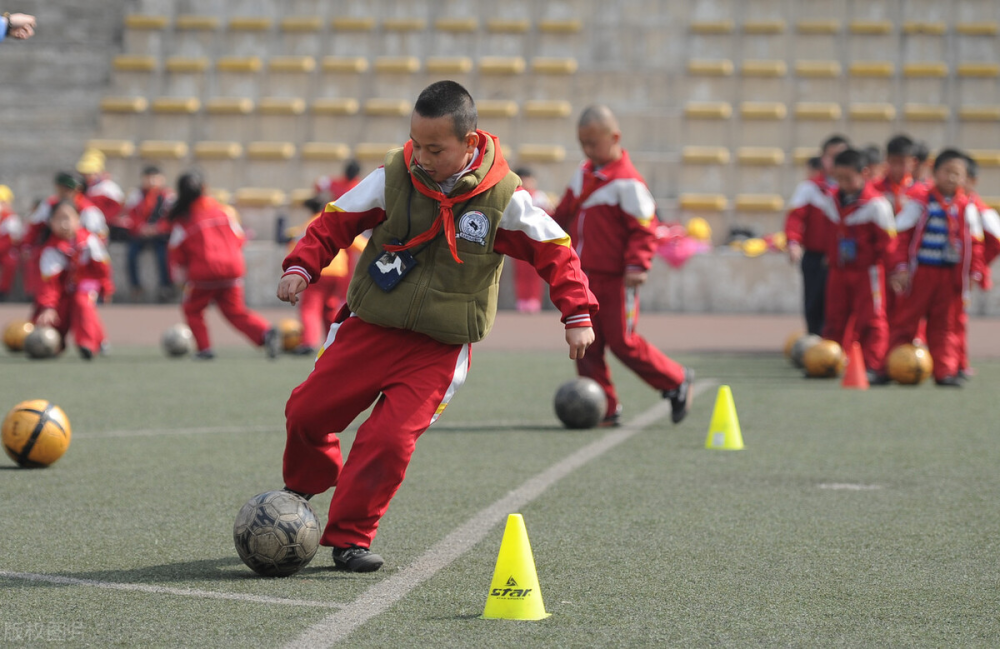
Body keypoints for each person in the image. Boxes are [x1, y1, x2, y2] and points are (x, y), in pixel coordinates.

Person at [276, 80, 597, 572]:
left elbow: (556, 251)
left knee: (388, 440)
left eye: (435, 148)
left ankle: (349, 538)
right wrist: (302, 265)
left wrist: (576, 314)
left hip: (438, 349)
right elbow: (336, 221)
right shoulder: (394, 174)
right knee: (306, 412)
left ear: (469, 143)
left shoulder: (506, 197)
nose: (421, 157)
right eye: (416, 143)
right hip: (370, 326)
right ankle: (302, 488)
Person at [552, 104, 692, 427]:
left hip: (617, 280)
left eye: (593, 143)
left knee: (623, 341)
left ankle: (676, 379)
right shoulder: (583, 174)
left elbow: (645, 228)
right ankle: (605, 407)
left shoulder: (628, 182)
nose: (587, 150)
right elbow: (562, 215)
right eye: (583, 143)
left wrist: (637, 265)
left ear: (614, 137)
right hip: (583, 276)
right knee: (587, 343)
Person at [888, 150, 986, 386]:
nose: (952, 178)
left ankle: (945, 371)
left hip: (950, 277)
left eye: (957, 174)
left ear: (965, 179)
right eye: (947, 172)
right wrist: (900, 267)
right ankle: (892, 365)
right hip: (921, 273)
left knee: (945, 325)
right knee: (906, 321)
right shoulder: (920, 203)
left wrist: (975, 271)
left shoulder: (967, 207)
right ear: (935, 173)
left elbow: (976, 244)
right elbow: (900, 237)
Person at [167, 171, 280, 360]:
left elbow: (176, 252)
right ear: (204, 188)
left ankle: (205, 349)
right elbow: (240, 239)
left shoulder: (184, 220)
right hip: (233, 269)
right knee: (235, 311)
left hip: (204, 272)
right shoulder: (223, 212)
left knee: (192, 310)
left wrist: (179, 278)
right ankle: (265, 333)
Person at [821, 149, 897, 382]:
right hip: (839, 270)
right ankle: (830, 361)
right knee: (835, 317)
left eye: (848, 178)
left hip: (868, 271)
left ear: (864, 173)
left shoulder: (877, 205)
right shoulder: (831, 198)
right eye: (838, 178)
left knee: (872, 319)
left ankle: (873, 365)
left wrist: (895, 270)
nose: (843, 184)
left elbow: (889, 243)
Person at [785, 134, 851, 335]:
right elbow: (795, 217)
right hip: (816, 257)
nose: (836, 161)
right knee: (815, 303)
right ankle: (816, 346)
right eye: (831, 156)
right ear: (823, 158)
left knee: (843, 305)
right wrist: (793, 242)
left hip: (845, 259)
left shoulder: (855, 189)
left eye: (842, 156)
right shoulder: (810, 188)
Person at [286, 197, 367, 355]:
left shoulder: (308, 225)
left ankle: (308, 342)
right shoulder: (333, 220)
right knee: (329, 307)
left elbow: (295, 248)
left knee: (310, 307)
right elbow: (358, 243)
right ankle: (337, 340)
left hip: (318, 270)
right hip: (338, 271)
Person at [34, 201, 113, 359]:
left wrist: (106, 287)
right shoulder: (50, 249)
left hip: (87, 283)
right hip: (63, 289)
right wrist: (48, 306)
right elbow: (50, 283)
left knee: (82, 303)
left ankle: (88, 343)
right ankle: (54, 344)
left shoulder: (89, 241)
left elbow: (102, 267)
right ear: (50, 223)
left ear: (78, 220)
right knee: (53, 313)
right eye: (58, 219)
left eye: (67, 218)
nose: (64, 224)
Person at [955, 156, 1000, 379]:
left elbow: (996, 240)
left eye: (960, 177)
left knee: (957, 318)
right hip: (944, 271)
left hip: (965, 275)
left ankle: (960, 363)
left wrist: (977, 268)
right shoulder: (948, 204)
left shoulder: (980, 209)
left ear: (972, 180)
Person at [122, 166, 175, 302]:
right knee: (131, 254)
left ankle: (166, 286)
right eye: (148, 177)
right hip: (141, 234)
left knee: (163, 255)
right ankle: (136, 286)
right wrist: (141, 228)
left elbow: (171, 218)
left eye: (155, 177)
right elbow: (131, 215)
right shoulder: (136, 195)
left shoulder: (168, 196)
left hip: (160, 235)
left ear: (162, 179)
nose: (151, 181)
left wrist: (157, 228)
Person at [510, 167, 554, 313]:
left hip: (536, 240)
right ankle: (522, 300)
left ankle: (534, 300)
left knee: (535, 272)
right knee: (520, 272)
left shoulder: (540, 197)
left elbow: (549, 216)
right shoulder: (514, 196)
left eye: (529, 178)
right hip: (518, 240)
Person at [0, 184, 24, 301]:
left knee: (10, 262)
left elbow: (15, 239)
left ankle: (3, 292)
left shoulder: (11, 219)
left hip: (7, 252)